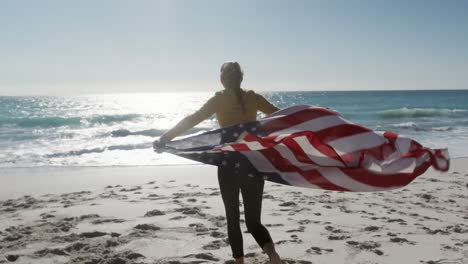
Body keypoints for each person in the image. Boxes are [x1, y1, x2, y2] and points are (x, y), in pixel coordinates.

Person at [153, 62, 282, 264]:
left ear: (222, 80)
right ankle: (272, 255)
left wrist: (165, 138)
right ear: (241, 78)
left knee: (233, 219)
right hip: (253, 164)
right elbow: (281, 117)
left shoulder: (219, 99)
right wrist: (314, 119)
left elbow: (192, 120)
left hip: (229, 164)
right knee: (254, 221)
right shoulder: (254, 97)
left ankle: (240, 262)